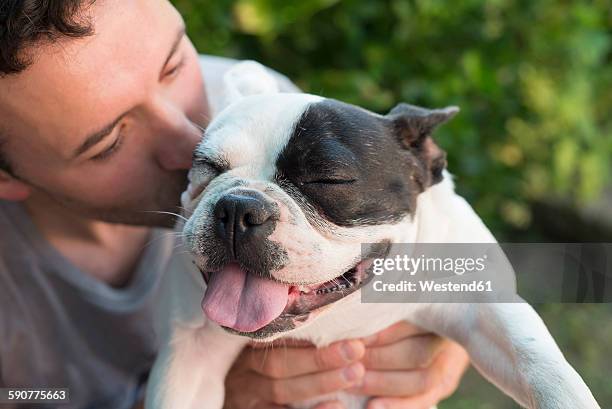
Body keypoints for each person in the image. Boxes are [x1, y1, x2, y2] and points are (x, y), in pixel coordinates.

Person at [0, 1, 469, 408]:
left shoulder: (263, 108)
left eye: (175, 66)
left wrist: (451, 337)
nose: (191, 141)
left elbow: (445, 252)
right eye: (108, 143)